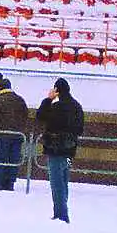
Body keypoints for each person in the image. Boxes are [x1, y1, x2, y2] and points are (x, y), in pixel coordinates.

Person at [36, 78, 85, 222]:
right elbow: (80, 129)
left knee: (56, 182)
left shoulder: (57, 106)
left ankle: (61, 214)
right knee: (64, 181)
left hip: (55, 149)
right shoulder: (77, 106)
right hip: (69, 150)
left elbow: (40, 116)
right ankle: (62, 210)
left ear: (56, 90)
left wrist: (48, 99)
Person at [0, 75, 28, 191]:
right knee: (13, 159)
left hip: (2, 135)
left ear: (0, 88)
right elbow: (25, 116)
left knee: (0, 158)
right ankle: (10, 183)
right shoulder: (20, 100)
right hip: (18, 135)